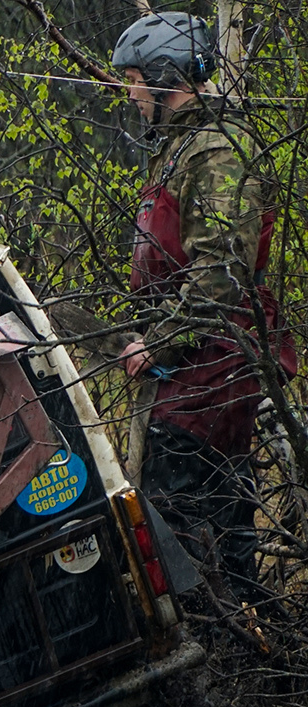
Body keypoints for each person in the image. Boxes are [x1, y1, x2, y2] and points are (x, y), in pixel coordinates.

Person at [110, 10, 296, 605]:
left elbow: (221, 276)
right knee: (206, 517)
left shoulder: (215, 150)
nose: (130, 94)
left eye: (136, 79)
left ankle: (233, 648)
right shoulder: (182, 148)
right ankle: (245, 638)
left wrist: (155, 344)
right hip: (192, 366)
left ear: (167, 76)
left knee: (182, 525)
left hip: (217, 364)